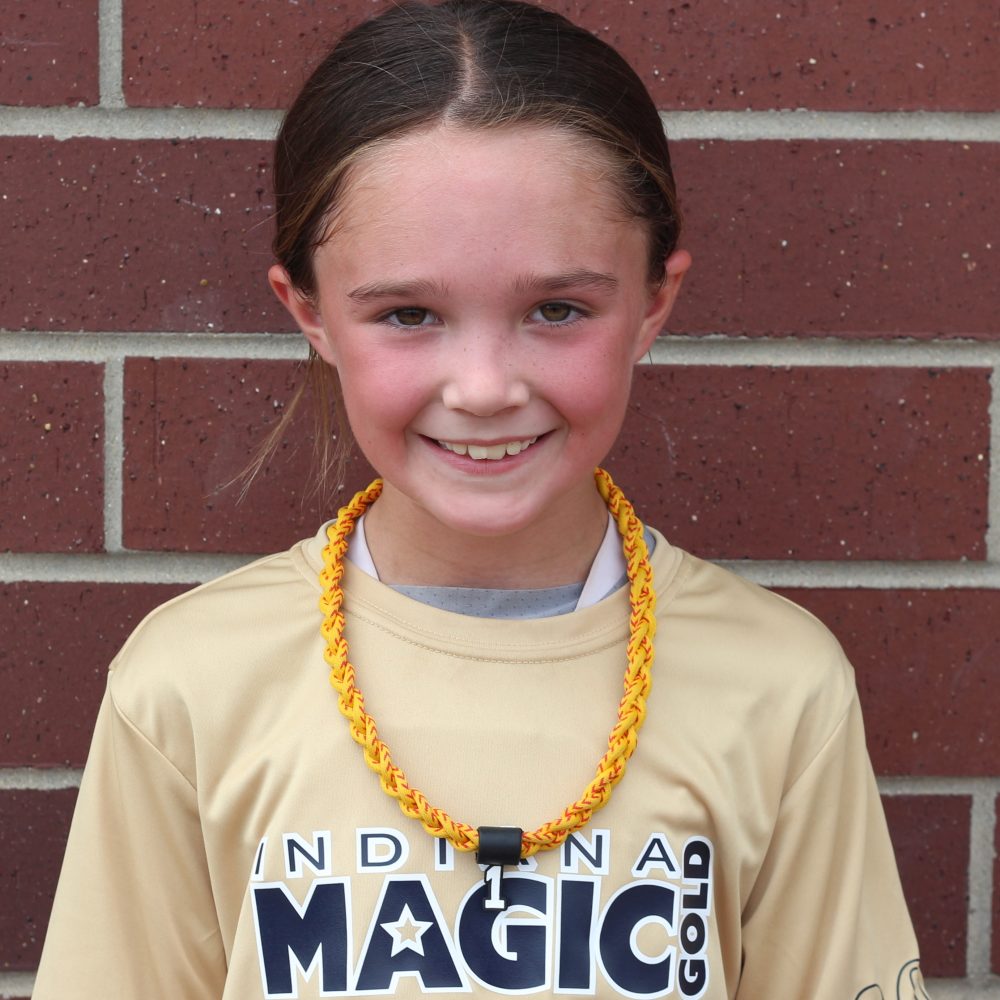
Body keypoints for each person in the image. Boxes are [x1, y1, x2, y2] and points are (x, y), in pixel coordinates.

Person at [33, 1, 926, 997]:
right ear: (310, 312)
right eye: (409, 314)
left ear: (652, 303)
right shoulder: (189, 686)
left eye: (557, 309)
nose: (486, 387)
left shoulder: (777, 687)